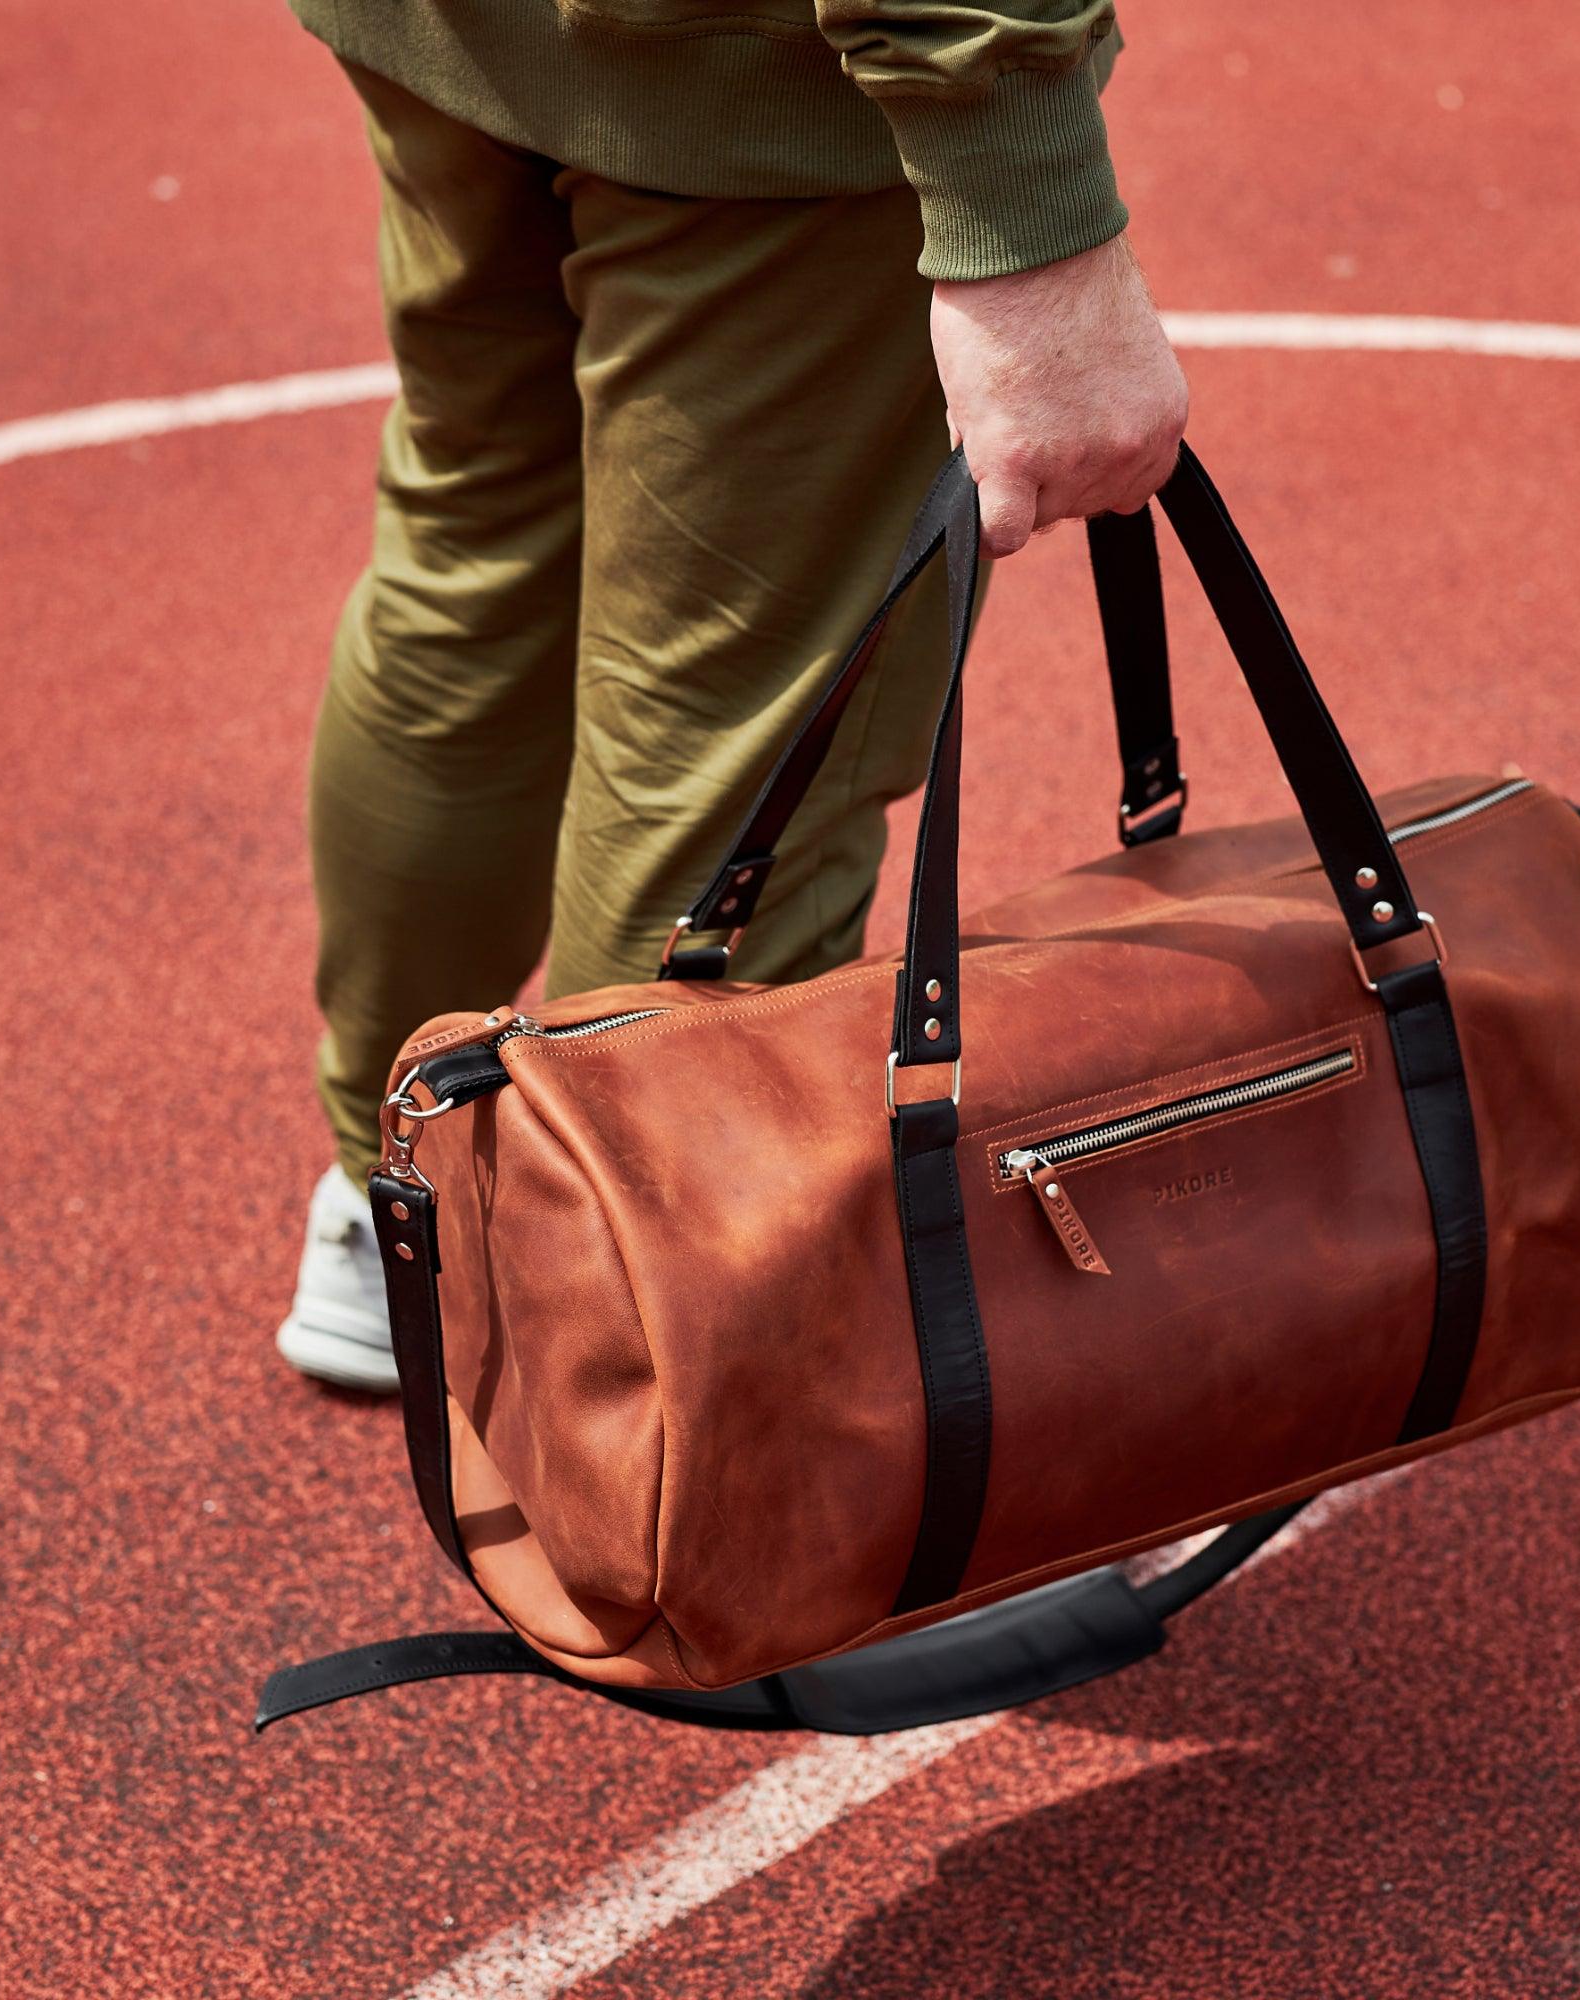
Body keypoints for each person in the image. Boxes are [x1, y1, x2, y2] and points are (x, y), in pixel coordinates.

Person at [273, 0, 1191, 1390]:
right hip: (756, 76)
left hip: (445, 33)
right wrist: (1025, 204)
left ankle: (397, 1212)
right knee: (736, 735)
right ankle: (661, 1390)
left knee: (470, 570)